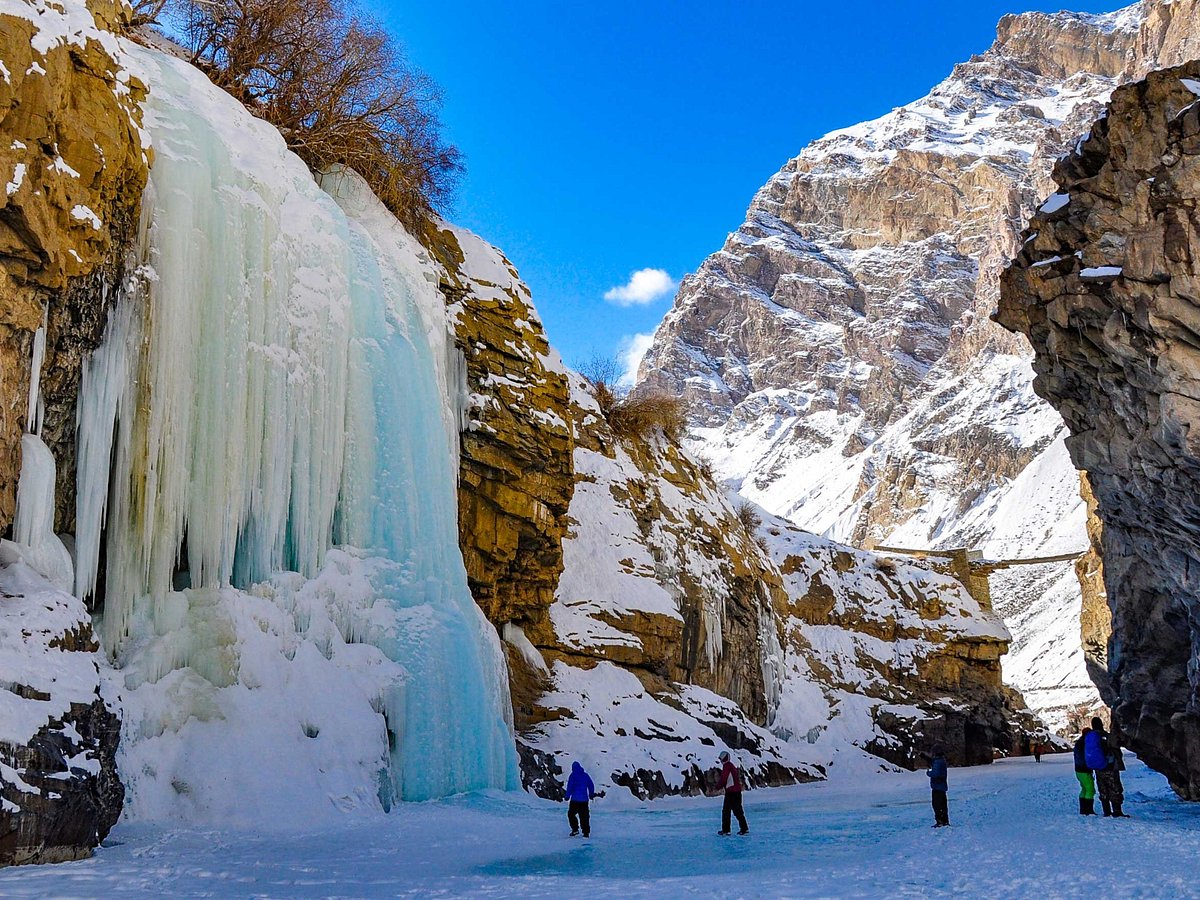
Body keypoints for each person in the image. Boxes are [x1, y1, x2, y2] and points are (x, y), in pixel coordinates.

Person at [1089, 717, 1129, 818]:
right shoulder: (1105, 735)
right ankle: (1117, 811)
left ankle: (1106, 811)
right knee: (1114, 787)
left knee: (1103, 788)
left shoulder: (1092, 737)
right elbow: (1115, 745)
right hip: (1110, 766)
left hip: (1098, 768)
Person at [714, 750, 749, 835]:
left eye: (721, 759)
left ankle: (727, 830)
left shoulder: (727, 766)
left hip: (731, 792)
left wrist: (717, 786)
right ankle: (744, 828)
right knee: (737, 811)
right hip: (735, 792)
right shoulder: (731, 765)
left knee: (727, 811)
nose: (720, 761)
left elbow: (724, 779)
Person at [565, 761, 595, 837]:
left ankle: (575, 829)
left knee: (571, 814)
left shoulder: (572, 776)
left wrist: (567, 796)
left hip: (575, 800)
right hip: (584, 800)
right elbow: (591, 785)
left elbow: (570, 787)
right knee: (584, 816)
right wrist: (591, 794)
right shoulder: (585, 775)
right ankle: (586, 832)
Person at [1073, 727, 1096, 815]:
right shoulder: (1085, 743)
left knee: (1084, 789)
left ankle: (1083, 809)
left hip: (1078, 770)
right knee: (1090, 789)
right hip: (1084, 770)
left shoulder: (1079, 742)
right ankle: (1089, 810)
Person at [926, 744, 949, 827]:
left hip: (937, 787)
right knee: (943, 805)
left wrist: (928, 773)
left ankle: (940, 821)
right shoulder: (941, 760)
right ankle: (945, 821)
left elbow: (936, 773)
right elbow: (932, 762)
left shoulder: (938, 762)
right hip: (942, 787)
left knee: (937, 805)